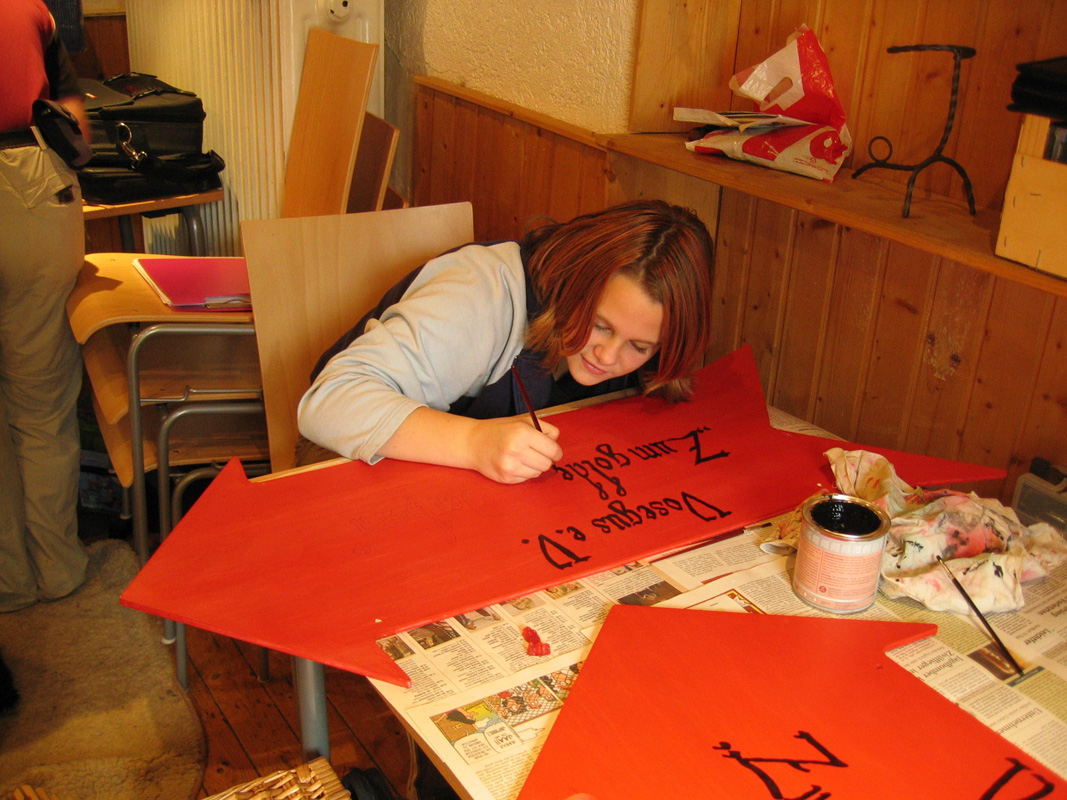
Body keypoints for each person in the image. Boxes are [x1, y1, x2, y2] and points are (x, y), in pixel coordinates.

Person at [298, 199, 715, 483]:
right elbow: (329, 403)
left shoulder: (652, 331)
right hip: (353, 458)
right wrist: (473, 443)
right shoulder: (479, 294)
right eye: (599, 324)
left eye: (639, 347)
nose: (607, 356)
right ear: (575, 282)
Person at [0, 0, 91, 611]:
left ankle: (6, 580)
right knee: (40, 403)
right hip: (27, 184)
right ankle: (56, 568)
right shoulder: (31, 10)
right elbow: (75, 126)